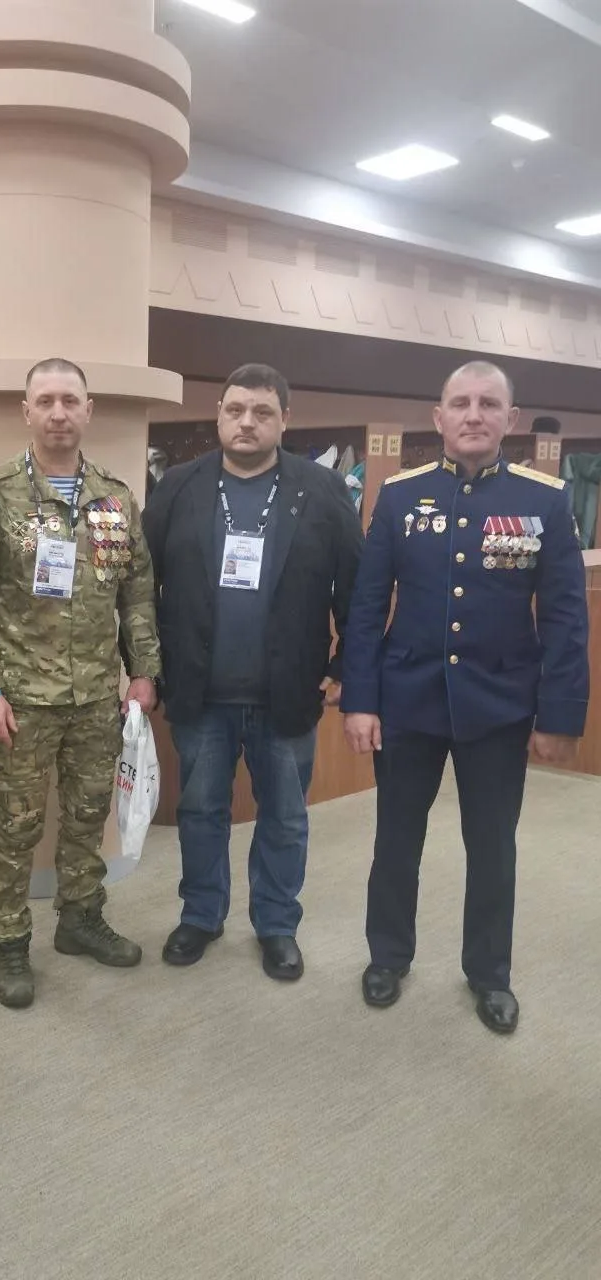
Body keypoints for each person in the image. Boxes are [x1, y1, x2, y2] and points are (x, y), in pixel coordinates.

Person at [341, 361, 589, 1034]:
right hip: (408, 699)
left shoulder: (544, 500)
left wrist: (560, 714)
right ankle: (388, 955)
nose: (473, 414)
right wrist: (360, 699)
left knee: (492, 847)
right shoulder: (400, 496)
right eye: (460, 403)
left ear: (511, 419)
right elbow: (367, 608)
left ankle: (489, 973)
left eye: (488, 404)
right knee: (396, 839)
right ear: (439, 417)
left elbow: (565, 617)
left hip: (499, 703)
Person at [142, 363, 363, 978]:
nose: (247, 422)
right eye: (235, 410)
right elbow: (138, 584)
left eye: (262, 412)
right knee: (201, 812)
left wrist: (347, 663)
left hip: (287, 690)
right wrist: (144, 665)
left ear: (284, 420)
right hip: (199, 689)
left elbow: (358, 586)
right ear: (219, 414)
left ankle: (276, 924)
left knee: (285, 818)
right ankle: (201, 914)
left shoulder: (323, 490)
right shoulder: (178, 487)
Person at [0, 358, 160, 1010]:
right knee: (18, 826)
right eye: (45, 400)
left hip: (97, 695)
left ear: (88, 410)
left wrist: (144, 671)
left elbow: (137, 594)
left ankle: (80, 918)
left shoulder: (114, 498)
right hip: (22, 701)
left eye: (70, 400)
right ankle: (10, 942)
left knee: (87, 815)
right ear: (27, 411)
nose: (58, 413)